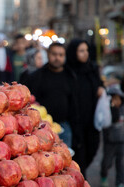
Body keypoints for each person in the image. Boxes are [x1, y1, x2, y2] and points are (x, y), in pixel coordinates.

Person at [25, 43, 78, 147]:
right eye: (54, 54)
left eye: (60, 55)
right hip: (42, 128)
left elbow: (75, 104)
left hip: (65, 126)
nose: (57, 58)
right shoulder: (36, 77)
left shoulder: (70, 76)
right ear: (48, 54)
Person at [66, 38, 104, 177]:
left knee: (92, 150)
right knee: (79, 159)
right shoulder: (68, 70)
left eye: (86, 50)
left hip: (92, 120)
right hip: (75, 122)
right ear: (74, 52)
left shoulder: (92, 68)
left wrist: (101, 88)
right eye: (81, 51)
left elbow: (99, 84)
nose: (85, 53)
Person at [100, 86, 124, 187]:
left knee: (121, 164)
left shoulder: (122, 109)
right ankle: (104, 176)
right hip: (109, 142)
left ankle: (120, 182)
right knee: (107, 162)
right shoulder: (107, 111)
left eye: (117, 99)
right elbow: (105, 123)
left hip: (121, 142)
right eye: (113, 99)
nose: (115, 101)